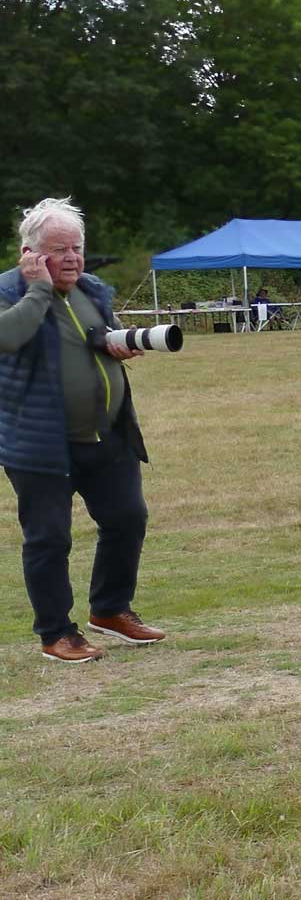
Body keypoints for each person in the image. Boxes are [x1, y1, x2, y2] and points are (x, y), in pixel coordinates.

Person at [0, 197, 164, 663]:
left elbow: (96, 338)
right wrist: (38, 290)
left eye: (77, 248)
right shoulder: (8, 291)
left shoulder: (91, 290)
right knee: (50, 538)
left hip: (107, 437)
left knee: (127, 519)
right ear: (30, 254)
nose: (72, 258)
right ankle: (56, 634)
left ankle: (110, 610)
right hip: (39, 443)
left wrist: (118, 345)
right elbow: (7, 337)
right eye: (59, 250)